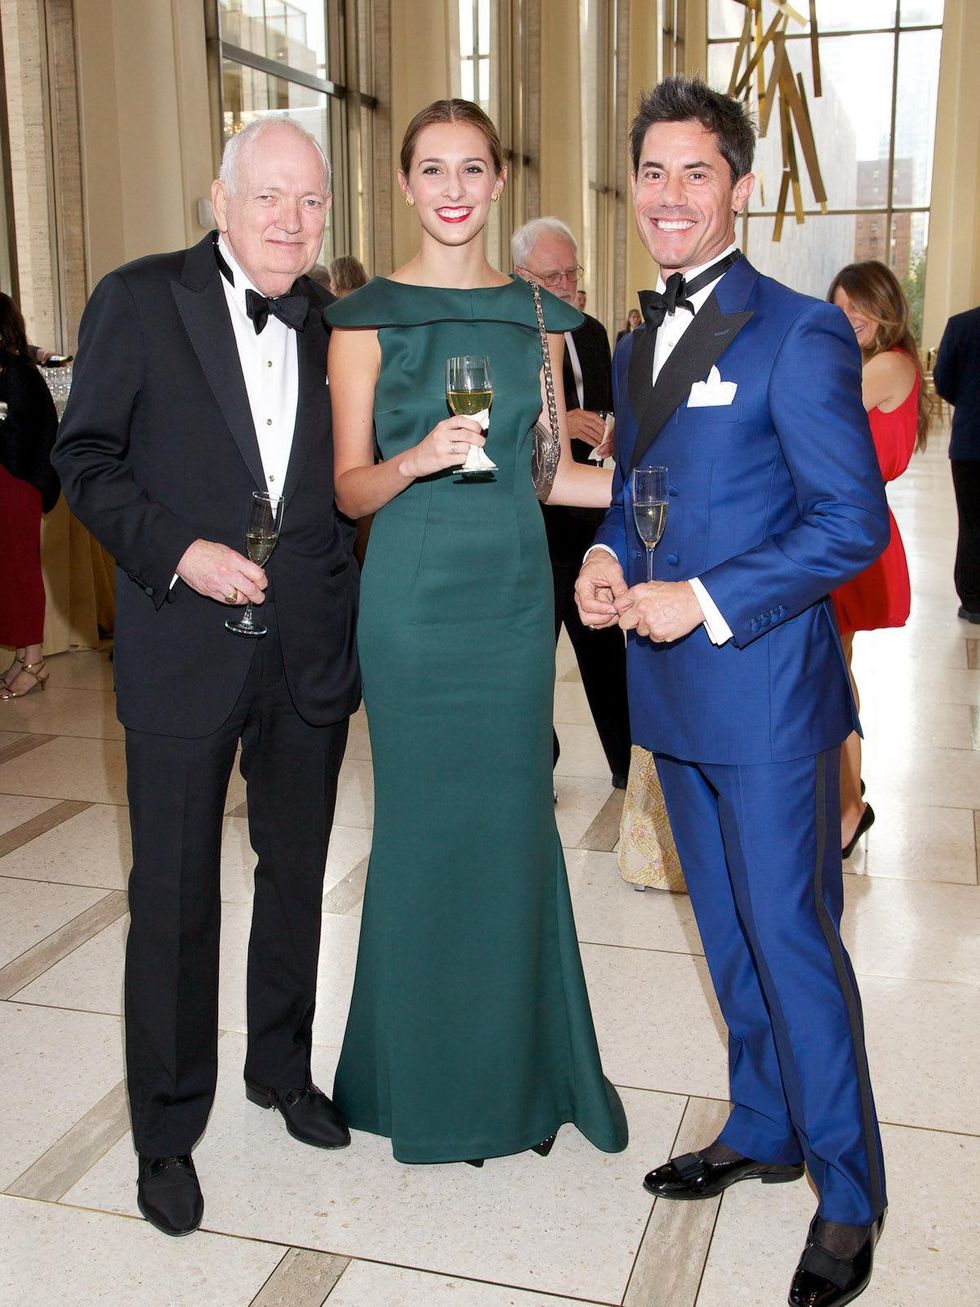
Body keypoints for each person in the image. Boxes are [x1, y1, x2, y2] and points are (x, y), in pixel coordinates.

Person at [575, 78, 889, 1307]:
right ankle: (762, 1121)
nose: (666, 195)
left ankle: (850, 1195)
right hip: (673, 698)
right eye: (649, 172)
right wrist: (608, 559)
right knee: (723, 934)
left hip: (762, 698)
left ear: (739, 188)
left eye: (693, 173)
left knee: (792, 940)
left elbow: (846, 521)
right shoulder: (637, 334)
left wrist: (700, 598)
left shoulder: (800, 331)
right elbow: (637, 492)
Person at [52, 117, 360, 1238]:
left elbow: (355, 476)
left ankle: (280, 1068)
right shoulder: (140, 299)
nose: (290, 219)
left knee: (295, 874)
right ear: (216, 200)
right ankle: (167, 1129)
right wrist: (178, 550)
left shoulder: (336, 322)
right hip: (182, 644)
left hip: (309, 646)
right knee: (174, 896)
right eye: (269, 196)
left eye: (310, 201)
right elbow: (82, 457)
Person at [325, 98, 627, 1165]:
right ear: (404, 184)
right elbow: (350, 488)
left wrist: (666, 486)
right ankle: (420, 1081)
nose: (452, 189)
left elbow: (549, 470)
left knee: (510, 830)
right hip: (409, 601)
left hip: (505, 604)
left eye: (471, 169)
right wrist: (414, 457)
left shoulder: (533, 316)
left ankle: (521, 1076)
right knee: (419, 837)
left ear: (497, 182)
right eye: (431, 170)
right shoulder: (363, 316)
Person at [512, 217, 631, 791]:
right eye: (551, 277)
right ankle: (539, 765)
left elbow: (606, 407)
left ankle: (628, 771)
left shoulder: (592, 331)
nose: (564, 288)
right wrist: (556, 431)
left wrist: (607, 430)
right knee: (531, 664)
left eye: (571, 275)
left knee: (607, 653)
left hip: (590, 519)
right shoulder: (510, 333)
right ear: (521, 276)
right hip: (532, 525)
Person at [828, 260, 930, 857]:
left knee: (832, 676)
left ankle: (847, 808)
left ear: (886, 307)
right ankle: (847, 794)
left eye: (858, 306)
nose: (848, 317)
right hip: (856, 526)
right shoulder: (884, 365)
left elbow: (814, 410)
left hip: (848, 532)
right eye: (838, 306)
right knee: (837, 669)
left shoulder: (884, 366)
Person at [0, 293, 60, 700]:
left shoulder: (18, 373)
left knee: (21, 571)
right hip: (11, 480)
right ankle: (23, 656)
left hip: (18, 483)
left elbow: (23, 438)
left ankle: (35, 661)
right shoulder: (12, 368)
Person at [933, 303, 980, 623]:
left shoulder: (962, 325)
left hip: (970, 441)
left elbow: (943, 380)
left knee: (972, 523)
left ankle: (973, 602)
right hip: (968, 443)